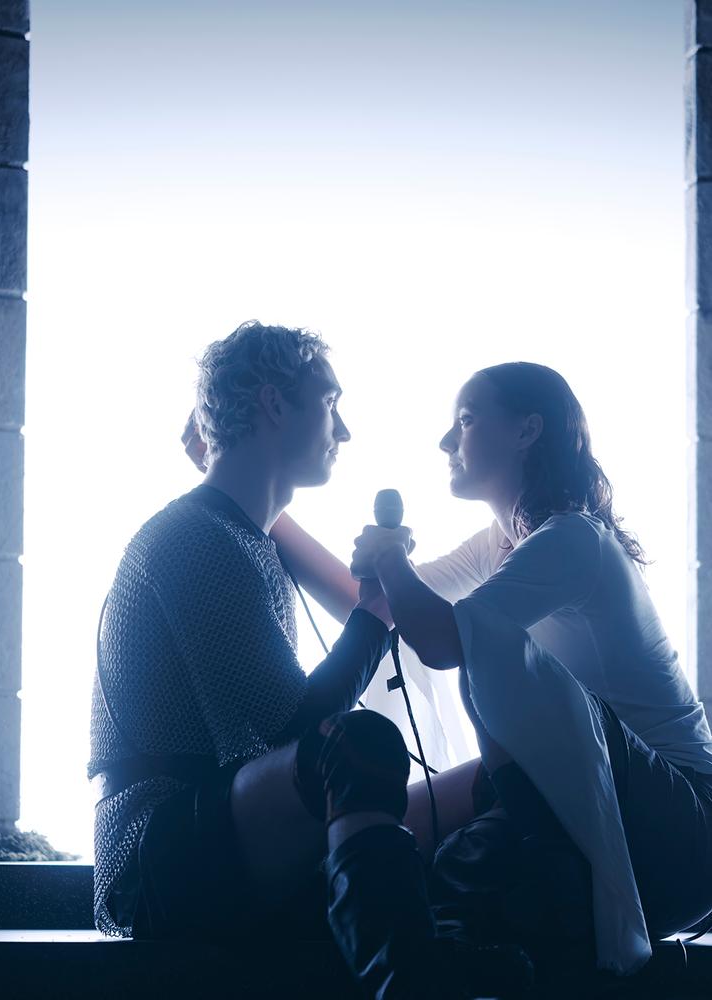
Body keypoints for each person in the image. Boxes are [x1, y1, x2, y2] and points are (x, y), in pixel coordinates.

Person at [266, 362, 712, 995]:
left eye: (466, 420)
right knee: (383, 832)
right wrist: (270, 508)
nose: (446, 440)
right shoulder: (496, 546)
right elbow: (380, 609)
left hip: (683, 823)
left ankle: (533, 871)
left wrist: (392, 557)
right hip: (586, 780)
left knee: (489, 651)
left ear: (527, 431)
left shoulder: (575, 539)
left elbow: (447, 641)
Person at [88, 321, 401, 943]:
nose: (343, 430)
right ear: (274, 404)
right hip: (151, 859)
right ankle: (412, 978)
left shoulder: (238, 537)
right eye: (331, 402)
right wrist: (375, 613)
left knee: (476, 792)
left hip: (211, 836)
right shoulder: (196, 538)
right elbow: (292, 732)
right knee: (357, 745)